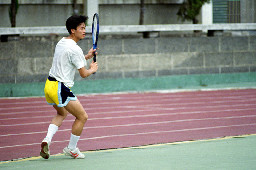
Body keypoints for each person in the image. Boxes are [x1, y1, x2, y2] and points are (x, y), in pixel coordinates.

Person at [40, 15, 98, 159]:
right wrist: (92, 69)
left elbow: (70, 60)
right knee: (82, 116)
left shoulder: (61, 42)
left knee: (62, 114)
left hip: (49, 86)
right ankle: (71, 148)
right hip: (61, 88)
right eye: (81, 28)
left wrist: (86, 56)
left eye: (85, 28)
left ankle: (47, 139)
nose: (84, 31)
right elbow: (84, 73)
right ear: (73, 30)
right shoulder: (75, 49)